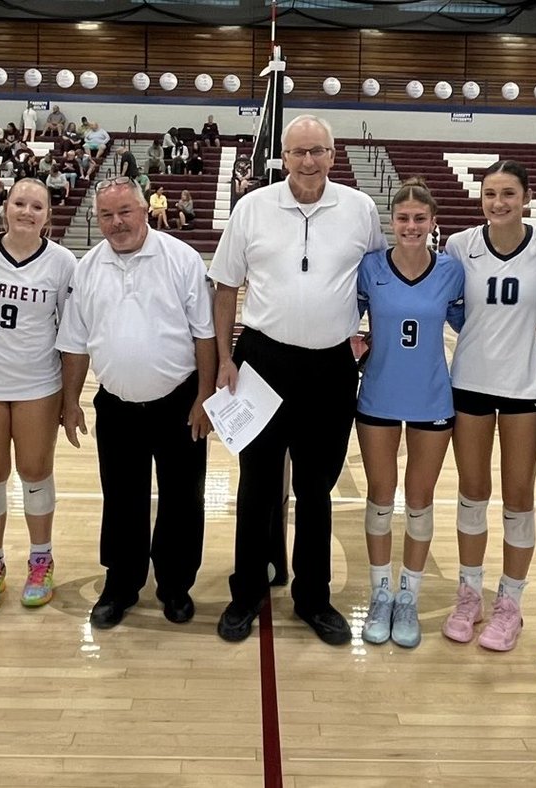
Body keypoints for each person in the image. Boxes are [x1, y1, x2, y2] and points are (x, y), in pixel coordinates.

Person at [209, 115, 386, 644]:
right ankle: (246, 592)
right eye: (298, 152)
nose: (308, 161)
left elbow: (379, 278)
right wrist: (224, 358)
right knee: (257, 485)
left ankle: (314, 596)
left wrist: (370, 336)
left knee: (316, 488)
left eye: (319, 151)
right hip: (263, 360)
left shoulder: (360, 209)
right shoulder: (252, 208)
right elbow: (224, 288)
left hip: (332, 365)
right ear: (282, 157)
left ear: (334, 154)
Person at [56, 177, 216, 629]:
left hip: (179, 402)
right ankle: (121, 585)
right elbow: (74, 344)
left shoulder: (181, 259)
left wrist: (205, 397)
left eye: (125, 211)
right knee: (122, 498)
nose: (117, 222)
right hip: (116, 406)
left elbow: (204, 334)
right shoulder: (86, 268)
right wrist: (71, 402)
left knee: (184, 499)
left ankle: (175, 585)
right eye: (106, 215)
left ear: (145, 210)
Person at [440, 160, 536, 652]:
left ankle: (509, 604)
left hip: (525, 388)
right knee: (473, 492)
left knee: (518, 498)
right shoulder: (460, 245)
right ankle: (469, 595)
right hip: (469, 381)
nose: (499, 202)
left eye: (508, 193)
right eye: (491, 193)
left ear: (527, 197)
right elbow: (448, 305)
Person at [0, 179, 78, 615]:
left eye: (36, 206)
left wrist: (71, 394)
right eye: (19, 203)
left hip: (38, 382)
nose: (27, 211)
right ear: (4, 206)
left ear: (48, 214)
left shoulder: (63, 262)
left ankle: (41, 559)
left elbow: (71, 330)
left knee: (35, 470)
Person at [356, 178, 465, 648]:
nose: (412, 226)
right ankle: (380, 592)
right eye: (403, 218)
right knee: (382, 496)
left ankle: (408, 598)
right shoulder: (369, 268)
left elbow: (470, 326)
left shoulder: (451, 272)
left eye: (420, 218)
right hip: (378, 397)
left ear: (433, 223)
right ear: (391, 223)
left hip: (431, 400)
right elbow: (346, 323)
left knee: (419, 499)